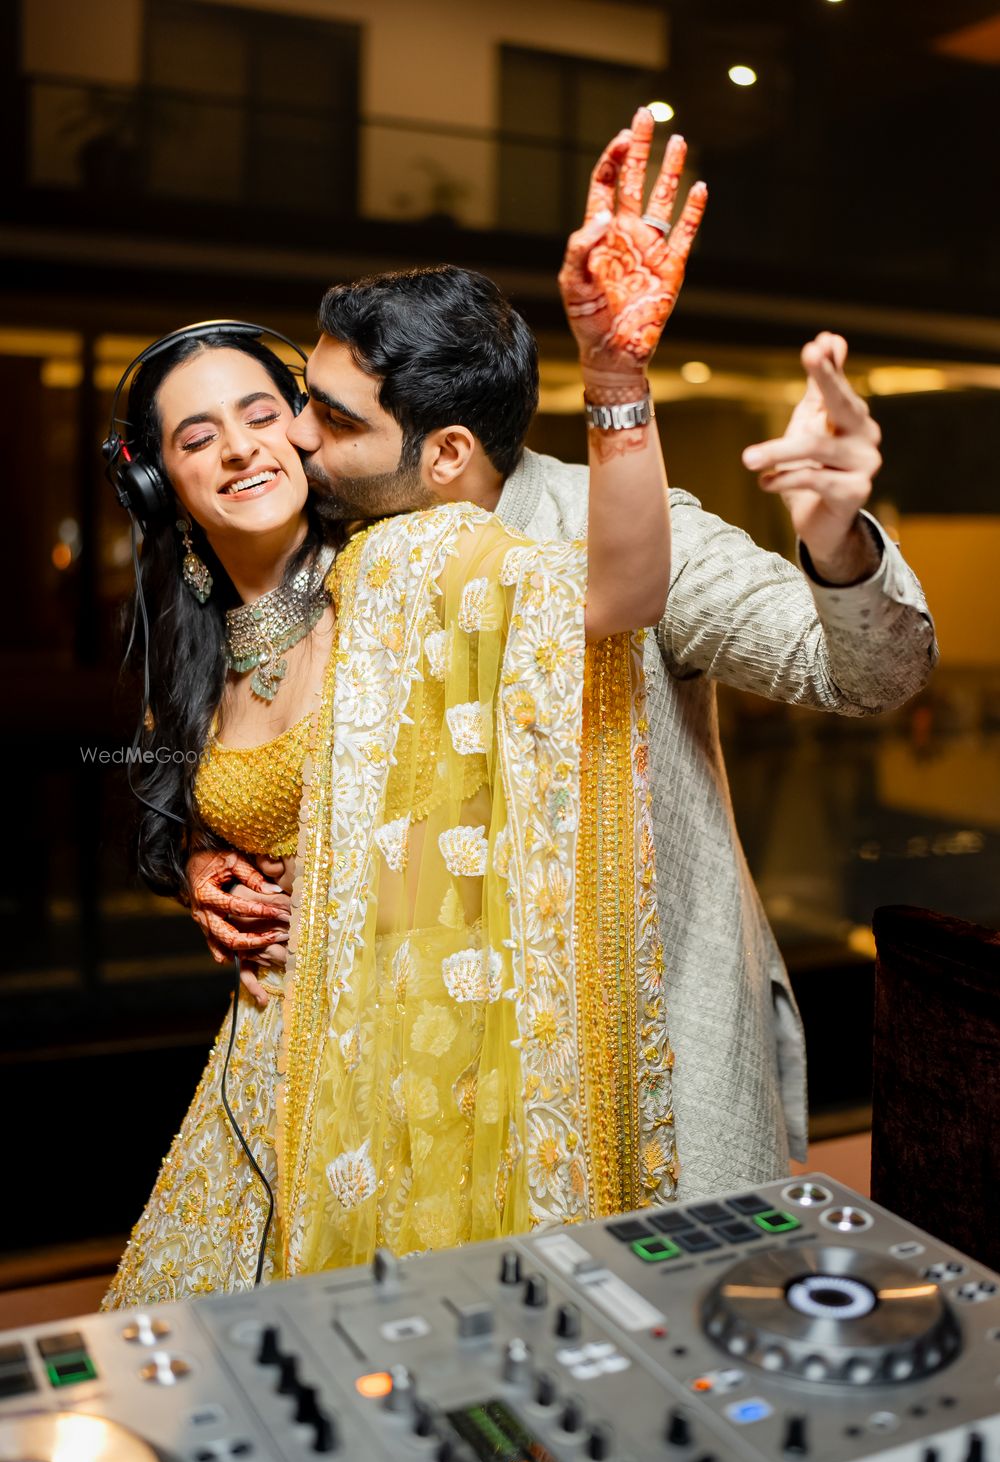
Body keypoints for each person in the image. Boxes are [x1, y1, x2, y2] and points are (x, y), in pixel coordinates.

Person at [189, 109, 938, 1202]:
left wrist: (832, 535)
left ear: (443, 453)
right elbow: (253, 752)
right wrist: (208, 868)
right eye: (305, 398)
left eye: (331, 417)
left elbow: (868, 678)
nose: (297, 435)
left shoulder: (620, 528)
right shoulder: (328, 553)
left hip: (636, 1050)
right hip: (411, 1085)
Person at [103, 119, 707, 1305]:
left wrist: (617, 378)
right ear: (157, 483)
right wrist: (200, 861)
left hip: (420, 1084)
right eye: (194, 435)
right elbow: (260, 805)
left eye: (265, 410)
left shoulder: (403, 572)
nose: (241, 448)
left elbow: (620, 592)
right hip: (265, 1083)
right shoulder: (191, 649)